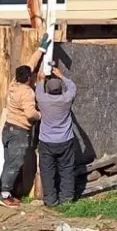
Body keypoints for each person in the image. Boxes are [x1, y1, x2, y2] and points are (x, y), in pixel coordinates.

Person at [0, 40, 49, 207]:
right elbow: (30, 114)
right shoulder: (27, 93)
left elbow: (30, 65)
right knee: (15, 163)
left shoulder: (14, 83)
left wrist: (41, 49)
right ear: (28, 79)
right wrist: (42, 115)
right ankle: (5, 195)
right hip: (19, 131)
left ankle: (5, 191)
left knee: (9, 161)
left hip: (8, 129)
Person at [35, 66, 78, 207]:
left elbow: (38, 88)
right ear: (60, 90)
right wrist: (61, 76)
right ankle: (66, 199)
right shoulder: (66, 99)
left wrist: (41, 79)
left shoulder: (42, 100)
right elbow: (72, 87)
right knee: (66, 170)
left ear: (48, 90)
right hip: (65, 140)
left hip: (46, 142)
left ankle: (50, 200)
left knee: (47, 171)